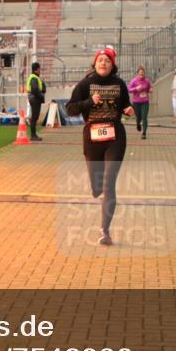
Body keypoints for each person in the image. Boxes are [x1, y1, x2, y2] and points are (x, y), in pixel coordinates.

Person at [66, 47, 134, 246]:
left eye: (107, 60)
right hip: (92, 138)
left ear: (112, 65)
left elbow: (125, 105)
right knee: (97, 187)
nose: (103, 63)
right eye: (100, 60)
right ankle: (97, 190)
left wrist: (128, 110)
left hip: (115, 137)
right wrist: (88, 102)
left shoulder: (119, 83)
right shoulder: (86, 84)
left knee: (108, 183)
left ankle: (104, 231)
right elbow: (70, 109)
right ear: (95, 64)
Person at [127, 65, 151, 139]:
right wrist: (136, 88)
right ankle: (138, 123)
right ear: (137, 73)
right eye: (140, 73)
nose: (141, 74)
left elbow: (149, 88)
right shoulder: (134, 81)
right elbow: (129, 89)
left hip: (145, 101)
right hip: (136, 102)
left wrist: (150, 90)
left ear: (144, 73)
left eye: (142, 73)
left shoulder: (147, 81)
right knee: (138, 117)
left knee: (144, 117)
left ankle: (144, 133)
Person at [27, 61, 46, 141]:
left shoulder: (34, 77)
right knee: (34, 117)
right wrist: (41, 96)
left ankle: (33, 135)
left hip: (34, 98)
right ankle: (33, 135)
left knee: (34, 117)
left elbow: (41, 88)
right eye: (39, 69)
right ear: (38, 69)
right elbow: (35, 89)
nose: (40, 70)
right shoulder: (34, 78)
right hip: (35, 99)